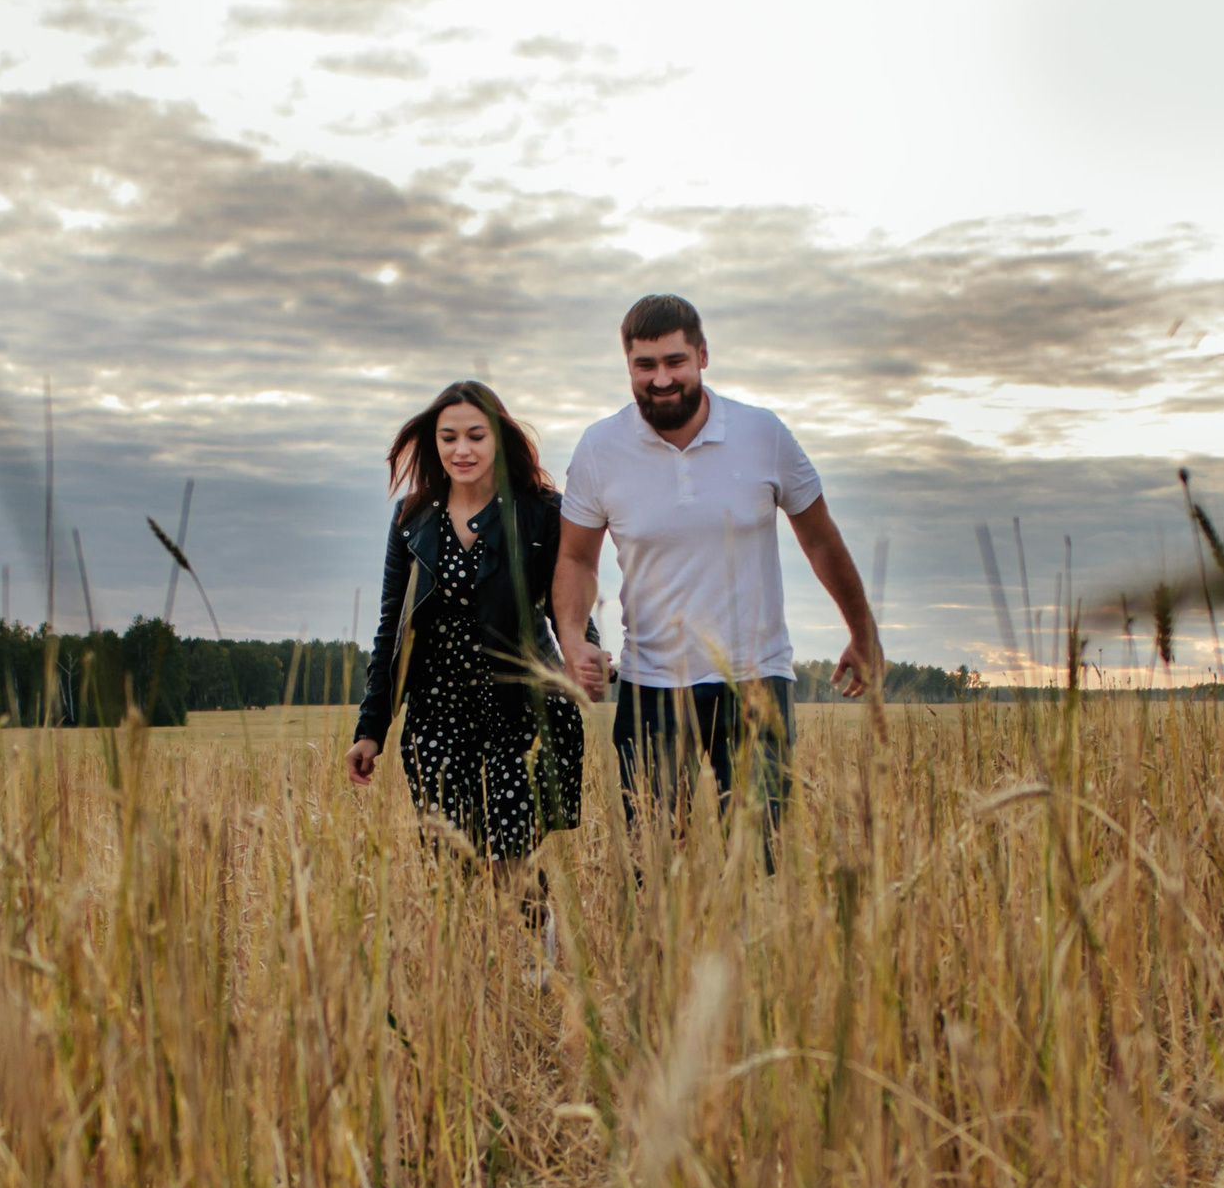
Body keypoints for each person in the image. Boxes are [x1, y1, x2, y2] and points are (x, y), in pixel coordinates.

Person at [551, 294, 879, 840]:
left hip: (756, 679)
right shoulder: (599, 448)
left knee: (761, 863)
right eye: (645, 365)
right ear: (628, 365)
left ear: (703, 356)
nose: (661, 379)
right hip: (650, 683)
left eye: (674, 361)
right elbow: (576, 557)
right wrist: (572, 637)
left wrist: (862, 631)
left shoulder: (762, 434)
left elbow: (820, 539)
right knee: (654, 870)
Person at [347, 380, 585, 908]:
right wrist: (371, 728)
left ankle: (541, 968)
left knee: (509, 857)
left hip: (520, 706)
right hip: (437, 711)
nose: (462, 449)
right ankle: (468, 980)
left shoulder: (541, 511)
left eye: (476, 436)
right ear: (433, 443)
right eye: (449, 437)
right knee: (451, 863)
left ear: (499, 438)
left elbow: (571, 591)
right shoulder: (412, 519)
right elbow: (392, 625)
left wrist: (582, 649)